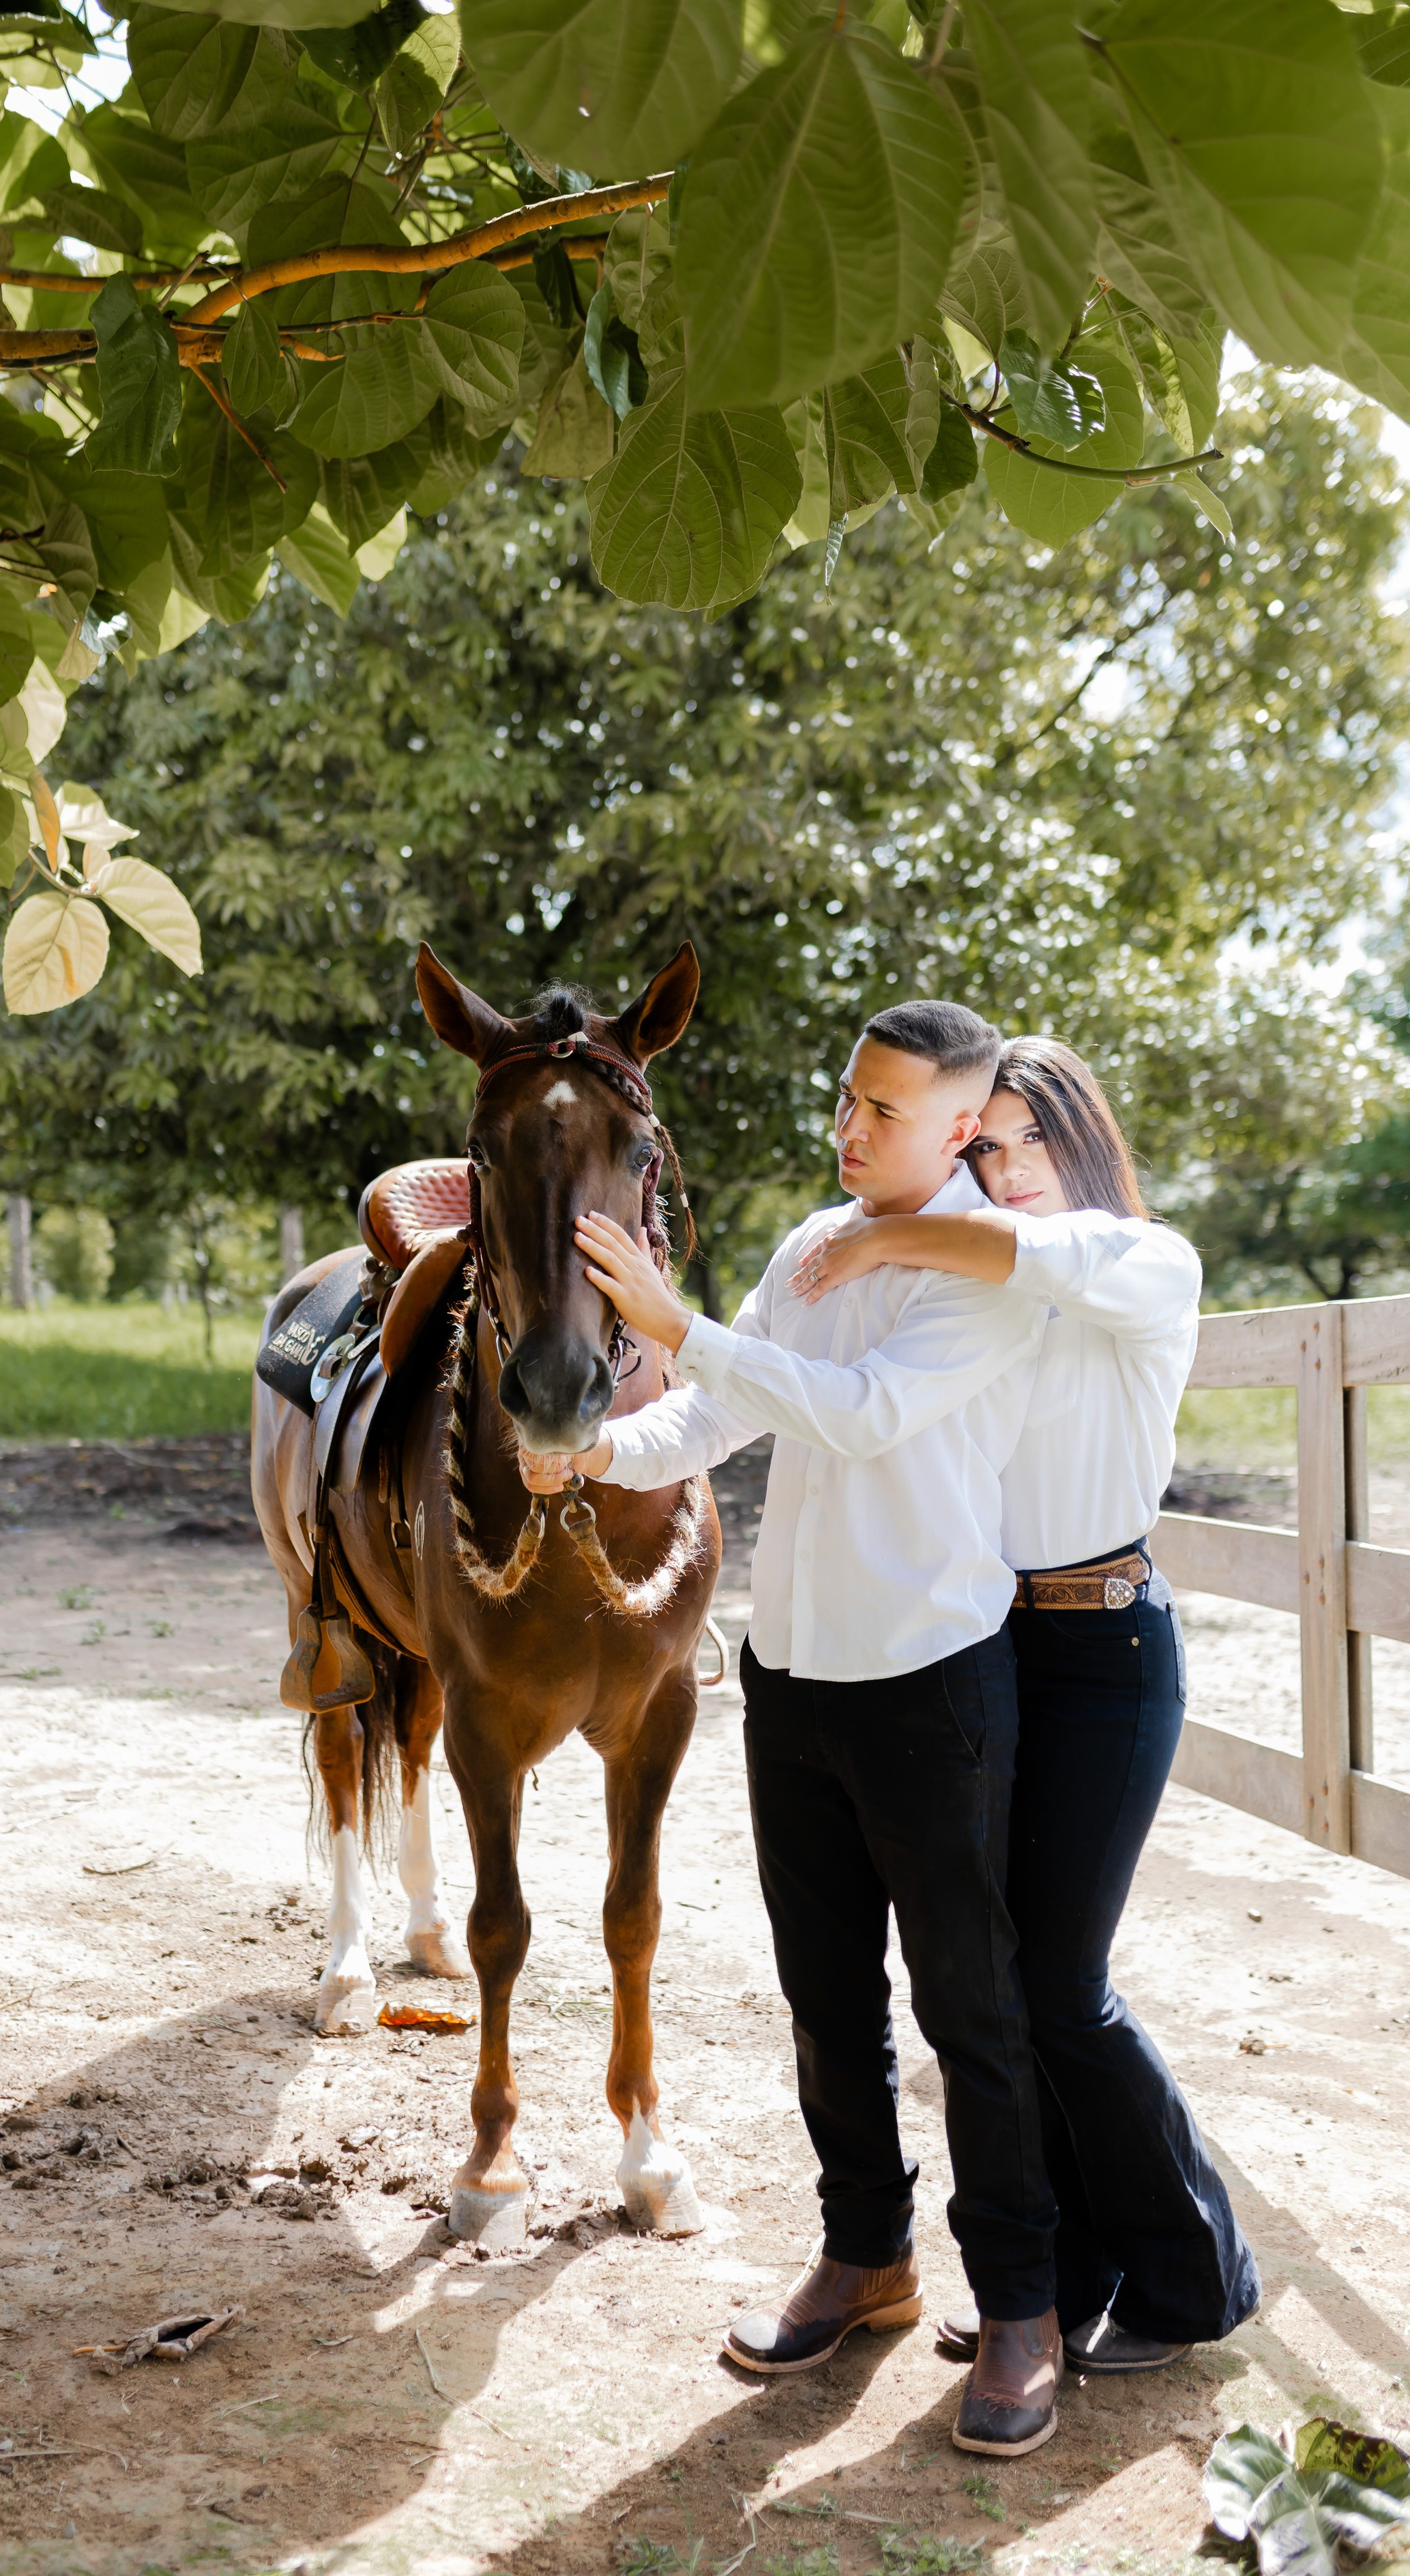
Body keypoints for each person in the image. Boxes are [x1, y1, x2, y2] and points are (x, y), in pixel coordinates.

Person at [557, 1000, 1066, 2459]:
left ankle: (1018, 2305)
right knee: (823, 1995)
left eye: (884, 1113)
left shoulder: (986, 1268)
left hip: (931, 1680)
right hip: (791, 1682)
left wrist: (679, 1323)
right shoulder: (803, 1245)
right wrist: (592, 1448)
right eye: (844, 1097)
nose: (847, 1130)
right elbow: (708, 1419)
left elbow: (854, 1415)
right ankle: (866, 2258)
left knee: (971, 2010)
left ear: (960, 1129)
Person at [783, 1036, 1259, 2373]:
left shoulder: (1137, 1260)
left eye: (1018, 1142)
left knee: (1061, 1983)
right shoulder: (975, 1288)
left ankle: (1190, 2273)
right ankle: (1054, 2277)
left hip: (1105, 1651)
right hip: (988, 1650)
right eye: (975, 1149)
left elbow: (1030, 1258)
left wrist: (882, 1242)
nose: (996, 1170)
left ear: (1077, 1138)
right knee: (999, 1979)